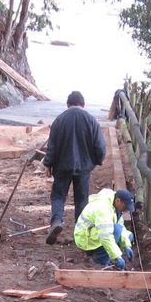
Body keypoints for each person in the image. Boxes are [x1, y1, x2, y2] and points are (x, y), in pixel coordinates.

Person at [42, 91, 107, 244]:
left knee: (58, 196)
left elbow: (52, 146)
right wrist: (98, 160)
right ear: (83, 105)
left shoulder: (59, 120)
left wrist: (47, 164)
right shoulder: (91, 120)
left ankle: (57, 221)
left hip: (62, 166)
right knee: (81, 199)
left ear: (68, 104)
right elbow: (100, 146)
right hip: (83, 167)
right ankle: (81, 231)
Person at [73, 188, 136, 270]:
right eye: (125, 207)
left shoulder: (115, 207)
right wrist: (118, 257)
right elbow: (106, 236)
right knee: (116, 231)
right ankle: (100, 260)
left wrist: (127, 246)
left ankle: (105, 254)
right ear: (118, 201)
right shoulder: (103, 208)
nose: (126, 210)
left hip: (94, 233)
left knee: (129, 236)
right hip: (85, 237)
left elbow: (121, 227)